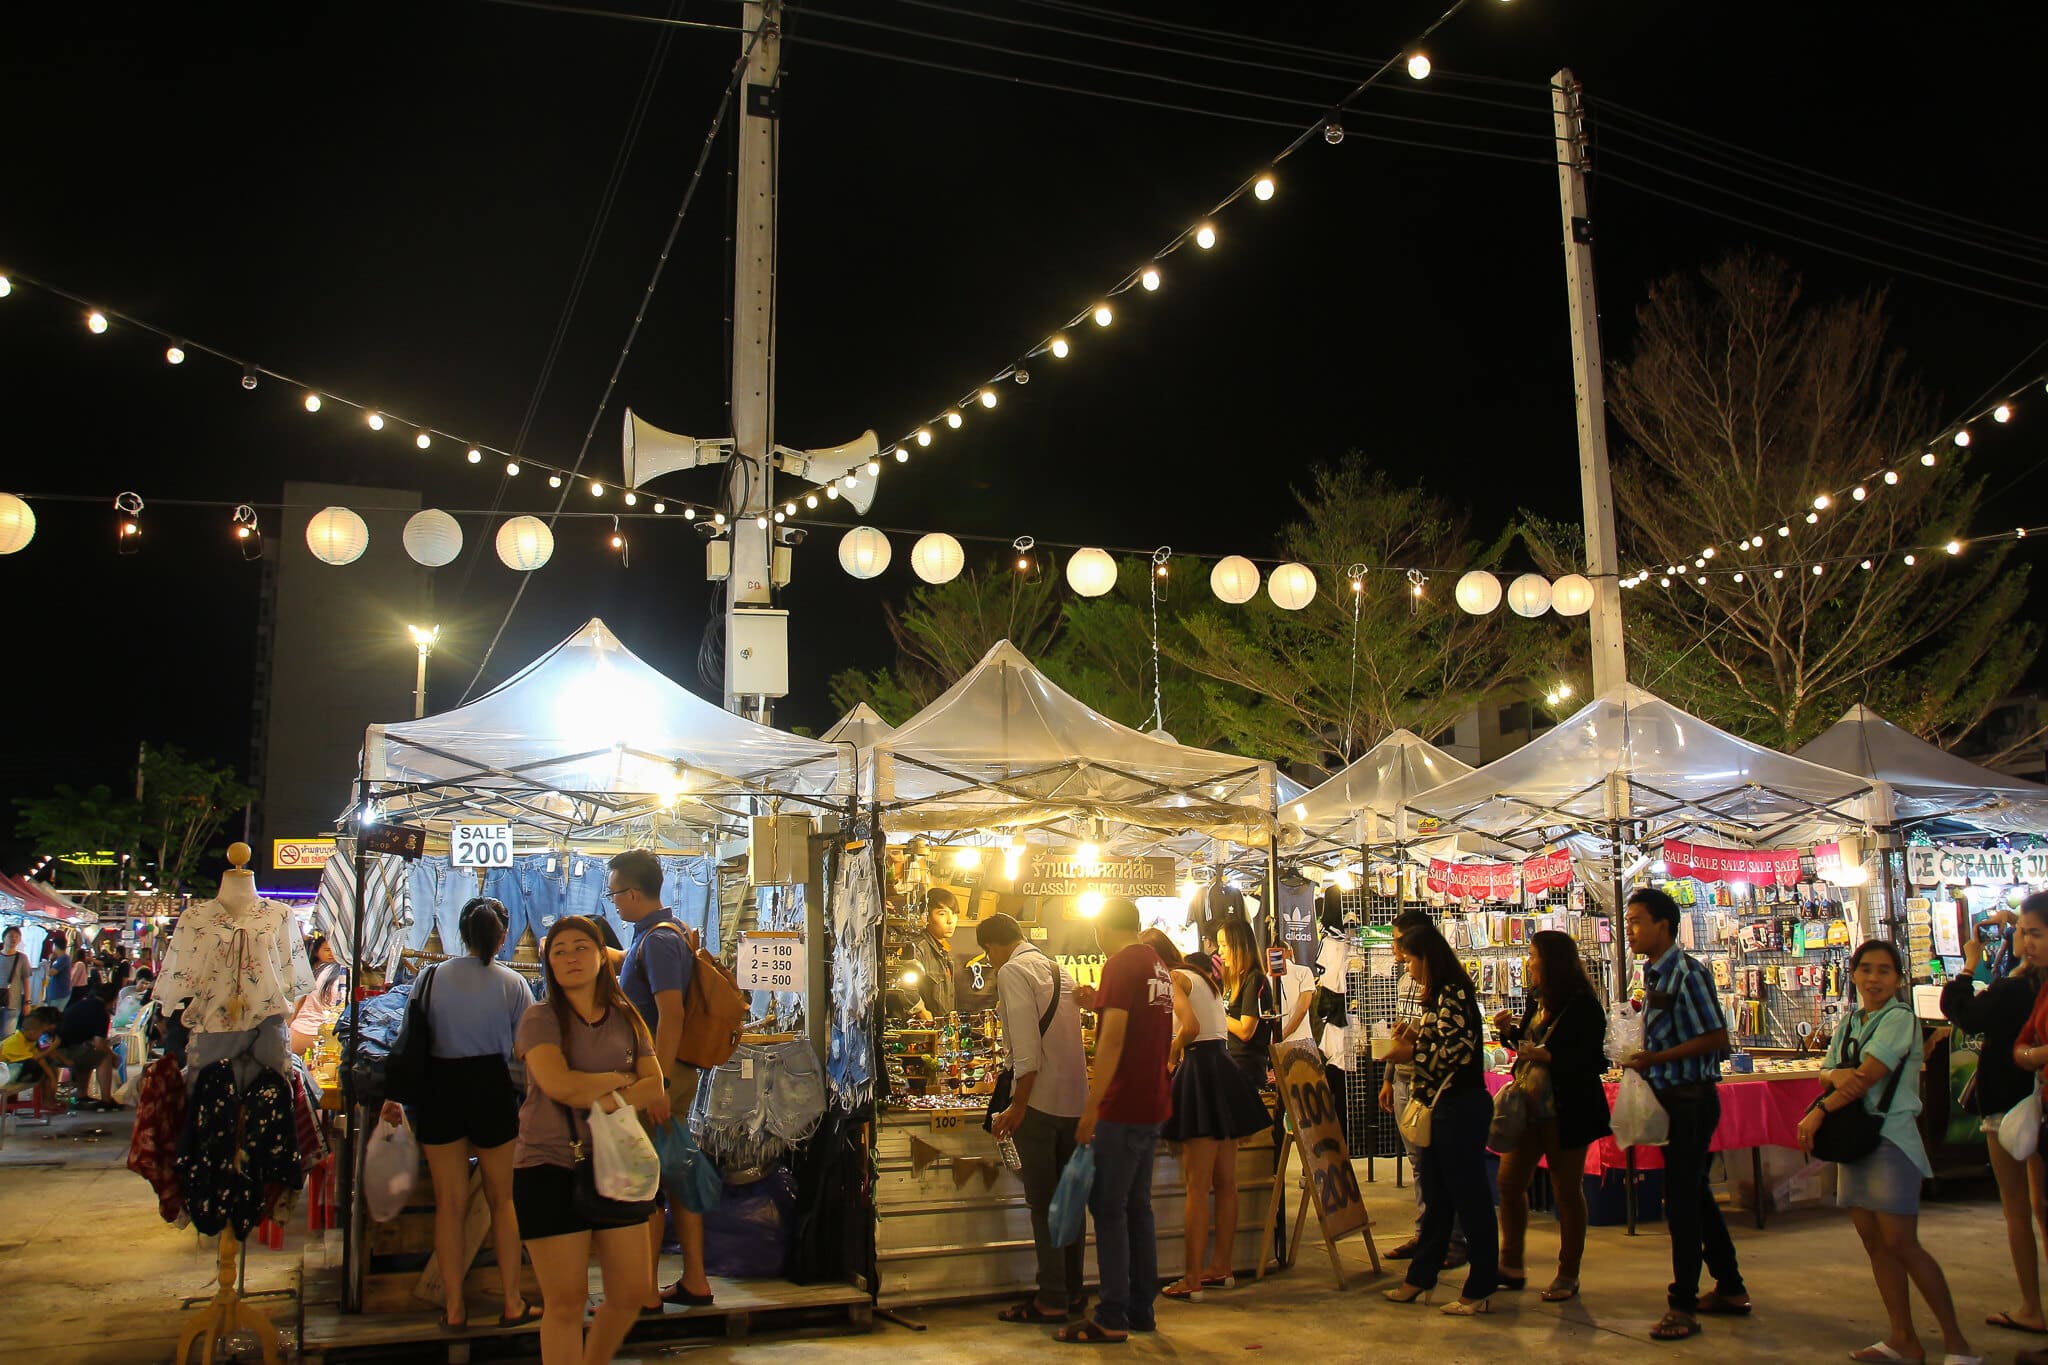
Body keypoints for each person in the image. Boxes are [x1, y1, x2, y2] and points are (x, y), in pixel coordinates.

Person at [1800, 940, 1976, 1365]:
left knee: (1902, 1243)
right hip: (1858, 1140)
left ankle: (1957, 1344)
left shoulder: (1899, 1020)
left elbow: (1864, 1078)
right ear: (1854, 974)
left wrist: (1821, 1110)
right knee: (1874, 1242)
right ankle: (1903, 1338)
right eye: (1865, 969)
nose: (1873, 978)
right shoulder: (1851, 1021)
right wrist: (1836, 1076)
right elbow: (1828, 1071)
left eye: (1883, 971)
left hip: (1890, 1139)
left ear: (1898, 978)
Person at [513, 915, 671, 1365]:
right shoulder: (540, 1018)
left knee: (630, 1293)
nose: (570, 958)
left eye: (581, 947)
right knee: (564, 1303)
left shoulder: (626, 1016)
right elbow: (560, 1085)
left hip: (616, 1162)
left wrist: (602, 1094)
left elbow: (654, 1086)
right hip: (548, 1166)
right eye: (559, 951)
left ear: (602, 956)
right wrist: (621, 1083)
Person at [380, 899, 537, 1331]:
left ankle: (453, 1308)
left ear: (460, 934)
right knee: (502, 1202)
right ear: (502, 936)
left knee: (448, 1206)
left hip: (440, 1090)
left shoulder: (430, 978)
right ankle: (511, 1302)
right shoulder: (514, 983)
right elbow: (524, 1051)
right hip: (491, 1088)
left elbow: (408, 1034)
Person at [1620, 886, 1748, 1343]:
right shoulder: (1652, 976)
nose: (1629, 930)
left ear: (1663, 925)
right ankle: (1730, 1287)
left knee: (1681, 1200)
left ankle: (1683, 1305)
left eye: (1637, 921)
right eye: (1628, 921)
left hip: (1691, 1098)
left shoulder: (1687, 975)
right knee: (1693, 1192)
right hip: (1669, 1098)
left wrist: (1656, 1059)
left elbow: (1715, 1037)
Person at [1062, 898, 1173, 1345]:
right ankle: (1140, 1308)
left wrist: (1091, 1109)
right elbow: (1140, 1025)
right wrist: (1097, 1006)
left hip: (1123, 1104)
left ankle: (1111, 1314)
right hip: (1151, 1103)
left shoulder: (1120, 963)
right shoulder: (1155, 963)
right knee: (1136, 1207)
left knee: (1108, 1208)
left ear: (1101, 930)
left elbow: (1112, 1041)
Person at [607, 849, 714, 1311]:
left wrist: (661, 1085)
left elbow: (669, 1015)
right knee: (674, 1175)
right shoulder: (652, 937)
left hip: (662, 1077)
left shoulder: (660, 942)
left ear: (633, 893)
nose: (612, 902)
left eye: (614, 894)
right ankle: (694, 1282)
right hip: (664, 1075)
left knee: (647, 1181)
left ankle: (644, 1294)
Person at [1942, 890, 2048, 1337]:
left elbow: (1961, 1010)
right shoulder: (2028, 985)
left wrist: (1969, 963)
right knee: (2038, 1207)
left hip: (2012, 1105)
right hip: (2031, 1102)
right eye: (2025, 931)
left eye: (2033, 932)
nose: (2025, 938)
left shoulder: (2014, 988)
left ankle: (2030, 1305)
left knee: (2021, 1210)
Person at [1380, 925, 1498, 1316]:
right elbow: (1440, 1043)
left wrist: (1408, 1055)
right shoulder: (1439, 998)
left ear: (1427, 958)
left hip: (1458, 1107)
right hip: (1440, 1107)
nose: (1407, 967)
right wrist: (1414, 1037)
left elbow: (1456, 1055)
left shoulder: (1455, 995)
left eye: (1410, 959)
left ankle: (1480, 1285)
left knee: (1469, 1200)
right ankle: (1421, 1277)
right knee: (1437, 1198)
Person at [979, 912, 1089, 1325]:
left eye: (988, 953)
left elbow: (1025, 1053)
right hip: (1075, 1103)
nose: (990, 961)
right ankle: (1073, 1292)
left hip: (1039, 1105)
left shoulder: (1012, 972)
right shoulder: (1060, 971)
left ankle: (1051, 1298)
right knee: (1071, 1203)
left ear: (992, 946)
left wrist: (1018, 1105)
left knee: (1044, 1205)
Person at [1494, 930, 1610, 1303]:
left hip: (1565, 1110)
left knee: (1566, 1191)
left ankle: (1568, 1272)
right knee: (1510, 1182)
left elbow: (1594, 1060)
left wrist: (1551, 1057)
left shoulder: (1583, 1006)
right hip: (1528, 1107)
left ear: (1552, 960)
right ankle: (1510, 1263)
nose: (1528, 962)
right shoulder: (1537, 999)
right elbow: (1528, 1047)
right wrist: (1508, 1034)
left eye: (1533, 955)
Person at [1159, 935, 1268, 1303]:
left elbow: (1188, 1028)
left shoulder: (1173, 977)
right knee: (1225, 1181)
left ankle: (1191, 1278)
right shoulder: (1202, 977)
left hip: (1200, 1069)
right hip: (1223, 1067)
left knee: (1197, 1184)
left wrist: (1172, 1055)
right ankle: (1221, 1267)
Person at [1377, 910, 1464, 1267]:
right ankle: (1426, 1231)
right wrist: (1388, 1075)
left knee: (1441, 1165)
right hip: (1403, 1080)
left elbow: (1450, 1048)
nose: (1396, 949)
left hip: (1433, 1085)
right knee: (1418, 1163)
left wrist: (1411, 1050)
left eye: (1401, 942)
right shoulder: (1404, 982)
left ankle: (1453, 1240)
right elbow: (1406, 1034)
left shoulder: (1448, 990)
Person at [1216, 920, 1274, 1092]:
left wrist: (1217, 1015)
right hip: (1228, 1065)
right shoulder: (1232, 982)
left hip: (1245, 1071)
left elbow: (1245, 1030)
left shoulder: (1254, 979)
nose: (1220, 952)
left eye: (1224, 945)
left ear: (1239, 946)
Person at [56, 982, 121, 1109]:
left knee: (88, 1054)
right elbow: (100, 1045)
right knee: (103, 1057)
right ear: (113, 999)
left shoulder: (82, 1004)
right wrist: (113, 1055)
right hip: (63, 1051)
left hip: (57, 1048)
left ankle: (82, 1095)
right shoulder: (101, 1013)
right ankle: (106, 1100)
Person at [289, 932, 347, 1055]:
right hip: (324, 1035)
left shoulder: (318, 972)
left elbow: (298, 1003)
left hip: (300, 1031)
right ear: (316, 951)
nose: (331, 953)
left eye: (334, 950)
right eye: (327, 950)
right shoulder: (336, 973)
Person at [909, 888, 959, 1021]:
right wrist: (921, 1011)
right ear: (926, 917)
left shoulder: (943, 950)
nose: (950, 920)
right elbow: (904, 984)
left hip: (942, 1031)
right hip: (922, 1033)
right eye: (942, 914)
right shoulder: (918, 947)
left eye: (954, 913)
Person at [1, 1005, 64, 1104]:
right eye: (40, 1033)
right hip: (4, 1072)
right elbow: (35, 1059)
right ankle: (47, 1100)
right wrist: (52, 1048)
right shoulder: (16, 1041)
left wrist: (51, 1077)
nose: (41, 1036)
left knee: (45, 1063)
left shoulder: (29, 1040)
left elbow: (41, 1057)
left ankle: (48, 1100)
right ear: (31, 1033)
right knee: (33, 1064)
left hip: (12, 1069)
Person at [1274, 942, 1318, 1046]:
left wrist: (1278, 1038)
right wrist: (1284, 1034)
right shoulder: (1303, 971)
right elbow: (1302, 1009)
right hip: (1302, 1040)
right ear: (1290, 951)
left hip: (1276, 1043)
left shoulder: (1267, 977)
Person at [0, 926, 27, 1038]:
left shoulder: (22, 958)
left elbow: (26, 981)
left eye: (17, 937)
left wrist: (27, 1002)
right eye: (11, 936)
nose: (14, 939)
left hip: (13, 1002)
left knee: (7, 1036)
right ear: (4, 938)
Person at [42, 932, 72, 1009]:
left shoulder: (63, 959)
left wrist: (49, 961)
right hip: (56, 994)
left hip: (59, 995)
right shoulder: (60, 958)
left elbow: (51, 973)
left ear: (55, 946)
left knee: (53, 1017)